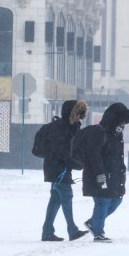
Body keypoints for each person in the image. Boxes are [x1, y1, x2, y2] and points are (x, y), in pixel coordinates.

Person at [75, 102, 129, 243]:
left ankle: (93, 223)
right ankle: (98, 233)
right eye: (122, 121)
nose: (123, 125)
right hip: (98, 174)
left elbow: (117, 156)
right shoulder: (100, 133)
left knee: (116, 200)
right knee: (102, 202)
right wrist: (100, 175)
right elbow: (94, 156)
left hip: (113, 174)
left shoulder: (116, 134)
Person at [41, 99, 89, 242]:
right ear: (72, 112)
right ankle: (72, 230)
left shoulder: (70, 126)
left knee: (55, 200)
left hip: (58, 167)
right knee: (66, 196)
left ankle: (47, 232)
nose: (80, 117)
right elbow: (60, 150)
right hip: (58, 168)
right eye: (78, 113)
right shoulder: (61, 127)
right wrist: (75, 163)